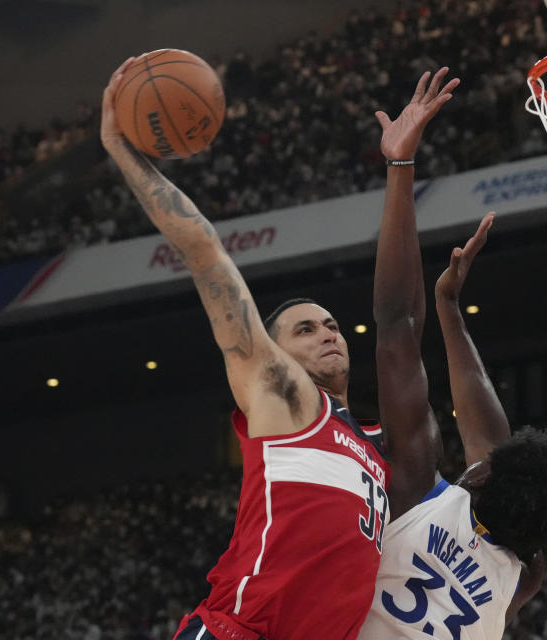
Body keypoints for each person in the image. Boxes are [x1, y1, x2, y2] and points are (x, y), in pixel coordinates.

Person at [101, 57, 390, 640]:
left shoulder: (380, 450)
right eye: (304, 330)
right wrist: (124, 152)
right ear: (272, 352)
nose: (327, 332)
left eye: (331, 324)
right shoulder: (283, 395)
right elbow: (205, 253)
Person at [358, 68, 547, 639]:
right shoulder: (523, 576)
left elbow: (397, 328)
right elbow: (493, 448)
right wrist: (453, 312)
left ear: (481, 480)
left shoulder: (415, 491)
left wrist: (401, 169)